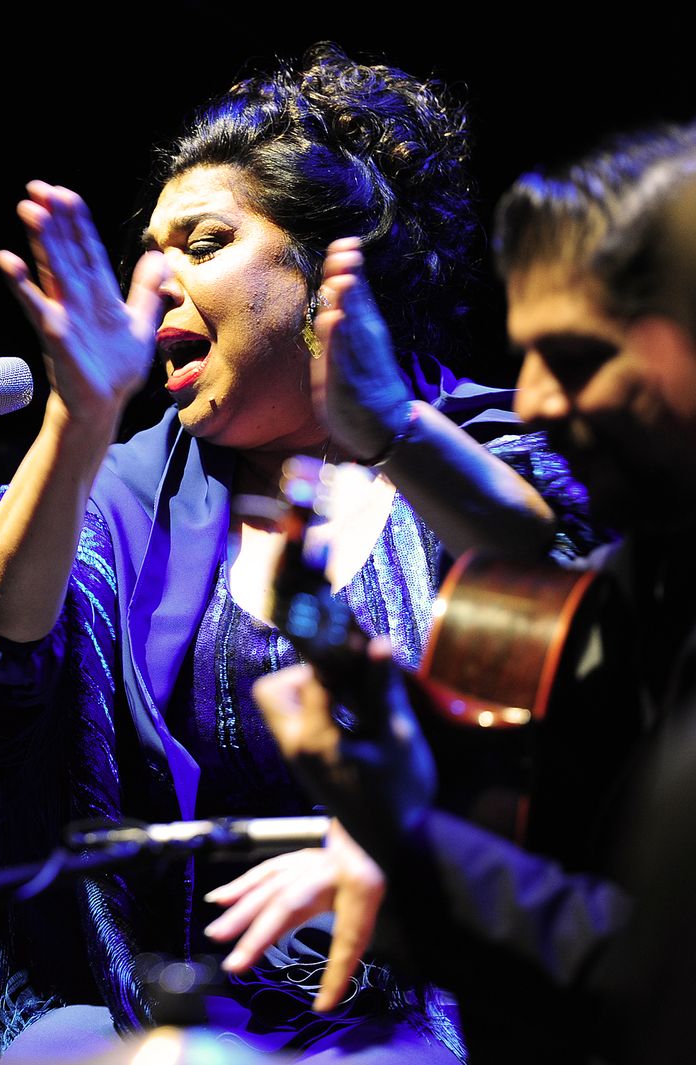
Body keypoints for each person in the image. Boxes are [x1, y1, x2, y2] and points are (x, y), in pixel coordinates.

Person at [0, 42, 600, 1060]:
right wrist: (76, 419)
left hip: (441, 996)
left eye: (203, 242)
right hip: (163, 1011)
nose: (155, 280)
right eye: (149, 251)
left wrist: (388, 425)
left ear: (325, 267)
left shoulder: (468, 454)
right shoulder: (123, 488)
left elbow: (557, 567)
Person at [219, 127, 696, 1064]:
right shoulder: (648, 576)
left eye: (577, 356)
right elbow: (543, 628)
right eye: (527, 357)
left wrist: (403, 837)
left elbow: (648, 990)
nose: (537, 400)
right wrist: (341, 652)